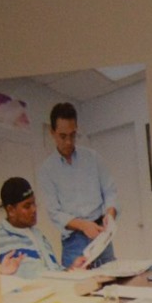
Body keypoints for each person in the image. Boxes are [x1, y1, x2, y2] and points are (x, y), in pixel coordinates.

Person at [36, 101, 118, 269]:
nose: (68, 142)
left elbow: (110, 191)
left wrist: (110, 215)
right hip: (73, 240)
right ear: (52, 132)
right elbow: (54, 212)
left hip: (101, 233)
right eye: (63, 136)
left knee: (112, 279)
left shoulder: (93, 158)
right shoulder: (47, 170)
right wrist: (83, 225)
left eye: (73, 135)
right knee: (77, 283)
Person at [0, 177, 65, 275]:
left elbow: (54, 272)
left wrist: (71, 270)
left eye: (34, 203)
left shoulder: (39, 235)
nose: (34, 209)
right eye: (27, 206)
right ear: (11, 210)